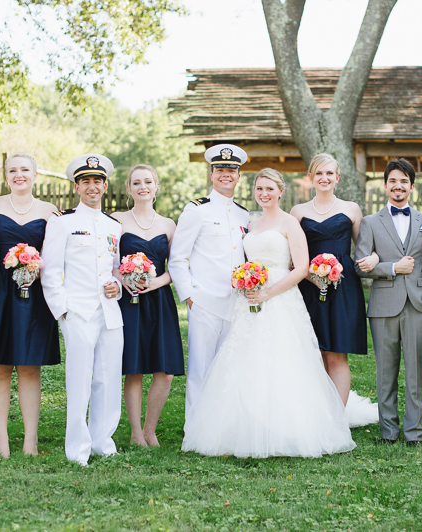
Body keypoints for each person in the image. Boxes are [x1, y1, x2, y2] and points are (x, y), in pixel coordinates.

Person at [182, 168, 355, 458]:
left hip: (280, 298)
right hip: (249, 299)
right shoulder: (249, 224)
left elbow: (301, 268)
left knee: (282, 359)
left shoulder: (290, 223)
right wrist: (247, 283)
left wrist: (268, 293)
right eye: (259, 189)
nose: (264, 194)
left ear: (280, 191)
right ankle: (244, 424)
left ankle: (287, 427)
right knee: (247, 358)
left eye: (269, 189)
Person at [0, 153, 61, 457]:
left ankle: (30, 440)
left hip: (34, 292)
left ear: (35, 174)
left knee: (30, 367)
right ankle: (1, 438)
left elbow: (60, 253)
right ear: (6, 174)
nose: (19, 174)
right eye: (13, 170)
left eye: (25, 169)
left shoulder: (50, 212)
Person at [41, 153, 124, 466]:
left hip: (110, 312)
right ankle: (78, 448)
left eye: (98, 181)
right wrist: (62, 310)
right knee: (79, 381)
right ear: (76, 187)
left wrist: (117, 284)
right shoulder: (63, 223)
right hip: (77, 311)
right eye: (86, 181)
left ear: (105, 186)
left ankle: (103, 441)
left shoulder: (113, 226)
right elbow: (50, 272)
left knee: (109, 378)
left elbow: (116, 268)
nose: (92, 186)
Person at [354, 158, 422, 446]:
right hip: (383, 306)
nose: (398, 185)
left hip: (418, 305)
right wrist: (392, 268)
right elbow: (360, 265)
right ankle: (388, 432)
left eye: (404, 181)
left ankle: (413, 432)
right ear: (385, 186)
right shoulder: (369, 222)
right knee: (385, 373)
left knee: (417, 372)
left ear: (411, 186)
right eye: (393, 180)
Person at [291, 153, 378, 426]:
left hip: (343, 288)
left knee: (337, 354)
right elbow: (293, 257)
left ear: (337, 177)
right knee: (314, 353)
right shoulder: (298, 212)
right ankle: (316, 414)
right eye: (319, 174)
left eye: (329, 174)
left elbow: (364, 249)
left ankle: (336, 420)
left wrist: (374, 258)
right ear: (311, 178)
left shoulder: (352, 209)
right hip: (308, 287)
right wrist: (309, 275)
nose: (324, 178)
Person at [168, 144, 250, 420]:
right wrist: (190, 296)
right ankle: (195, 427)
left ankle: (221, 424)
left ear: (239, 176)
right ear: (211, 174)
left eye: (231, 170)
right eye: (220, 170)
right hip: (204, 301)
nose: (226, 174)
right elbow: (177, 258)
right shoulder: (196, 210)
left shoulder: (243, 214)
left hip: (235, 302)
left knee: (228, 366)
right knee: (200, 369)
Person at [111, 164, 184, 447]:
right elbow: (107, 262)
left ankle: (150, 429)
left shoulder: (168, 224)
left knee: (165, 372)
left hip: (160, 300)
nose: (143, 186)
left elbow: (176, 266)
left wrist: (157, 282)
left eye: (148, 182)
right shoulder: (116, 221)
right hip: (130, 301)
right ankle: (135, 432)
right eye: (137, 182)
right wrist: (122, 278)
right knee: (135, 367)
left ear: (156, 186)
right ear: (129, 188)